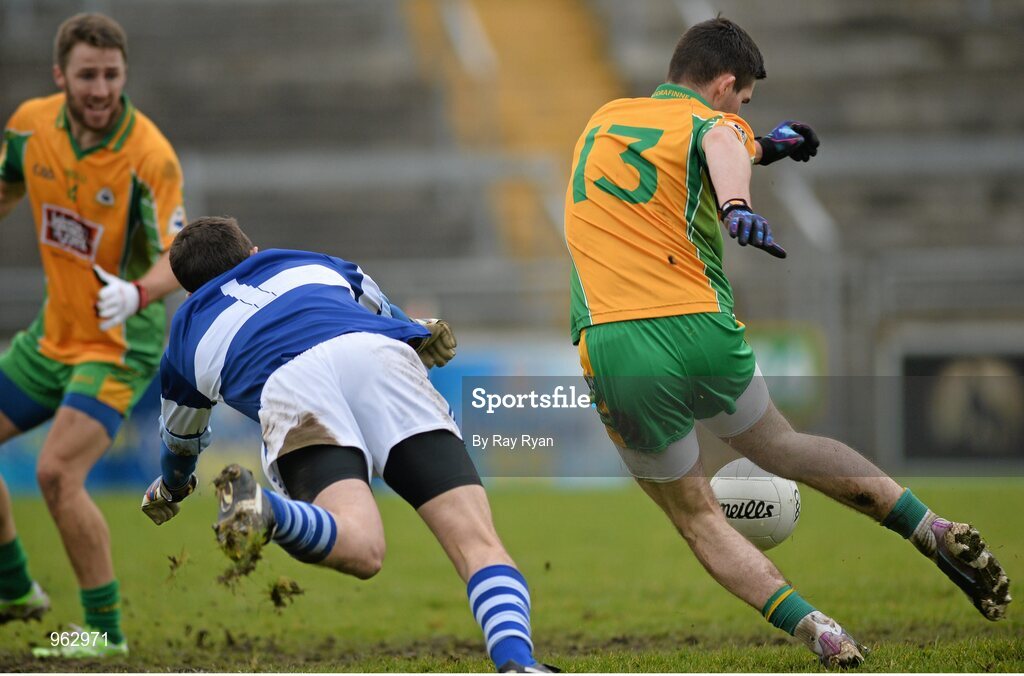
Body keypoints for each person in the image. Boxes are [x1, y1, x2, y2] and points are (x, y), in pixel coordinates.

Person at [563, 17, 1010, 668]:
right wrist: (737, 202)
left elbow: (714, 141)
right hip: (701, 323)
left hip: (618, 340)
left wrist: (770, 145)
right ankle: (929, 527)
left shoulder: (606, 119)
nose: (742, 113)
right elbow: (720, 141)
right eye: (744, 100)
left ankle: (818, 630)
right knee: (782, 445)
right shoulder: (713, 124)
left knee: (696, 514)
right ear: (722, 85)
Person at [138, 216, 555, 673]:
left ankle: (268, 512)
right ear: (254, 252)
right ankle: (518, 662)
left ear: (188, 289)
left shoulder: (185, 333)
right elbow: (383, 311)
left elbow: (180, 442)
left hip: (290, 387)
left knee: (363, 548)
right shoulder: (310, 262)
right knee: (476, 540)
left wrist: (173, 487)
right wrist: (416, 332)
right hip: (376, 357)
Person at [0, 13, 185, 658]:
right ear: (61, 76)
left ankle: (102, 634)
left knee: (55, 474)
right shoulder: (29, 126)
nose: (101, 89)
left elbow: (178, 256)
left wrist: (136, 292)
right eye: (88, 75)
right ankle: (16, 588)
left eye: (112, 75)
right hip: (52, 337)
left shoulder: (149, 157)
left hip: (117, 344)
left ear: (124, 74)